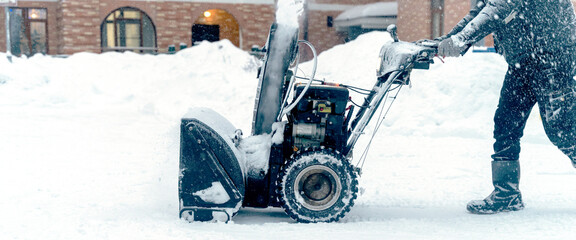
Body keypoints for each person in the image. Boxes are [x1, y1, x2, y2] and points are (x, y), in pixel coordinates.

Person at [434, 0, 576, 214]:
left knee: (562, 129)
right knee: (506, 123)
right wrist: (448, 39)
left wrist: (461, 39)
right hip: (524, 60)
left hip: (552, 58)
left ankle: (506, 194)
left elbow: (499, 8)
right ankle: (506, 194)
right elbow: (480, 11)